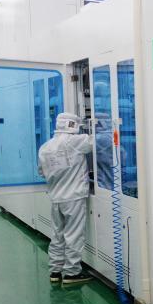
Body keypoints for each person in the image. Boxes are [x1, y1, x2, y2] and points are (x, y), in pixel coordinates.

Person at [37, 112, 92, 285]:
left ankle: (55, 271)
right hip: (74, 197)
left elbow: (42, 172)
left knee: (57, 235)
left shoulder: (45, 147)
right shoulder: (76, 141)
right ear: (73, 125)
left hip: (56, 197)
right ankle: (72, 273)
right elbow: (100, 142)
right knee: (73, 235)